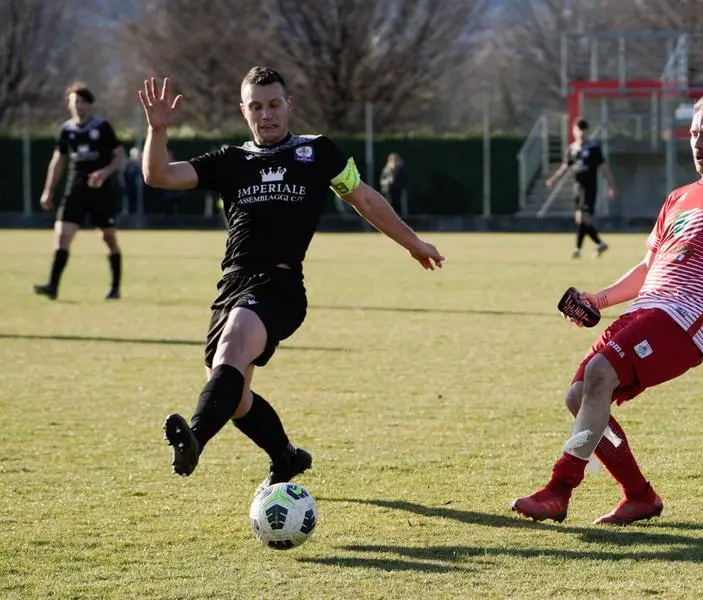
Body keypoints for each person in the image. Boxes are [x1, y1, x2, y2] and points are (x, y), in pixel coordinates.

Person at [137, 67, 444, 491]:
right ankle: (286, 456)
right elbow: (159, 176)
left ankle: (195, 438)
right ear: (244, 111)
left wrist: (412, 242)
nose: (267, 115)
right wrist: (156, 130)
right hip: (231, 287)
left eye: (274, 104)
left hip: (278, 288)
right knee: (233, 394)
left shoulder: (318, 153)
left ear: (289, 106)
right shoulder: (230, 161)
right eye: (257, 107)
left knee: (234, 344)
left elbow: (366, 199)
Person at [512, 93, 703, 525]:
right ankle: (639, 496)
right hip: (645, 313)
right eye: (694, 134)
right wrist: (597, 300)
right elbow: (647, 269)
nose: (698, 143)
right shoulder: (678, 197)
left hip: (681, 326)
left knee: (600, 375)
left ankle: (558, 491)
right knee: (579, 397)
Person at [33, 83, 127, 300]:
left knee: (108, 238)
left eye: (83, 101)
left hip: (101, 193)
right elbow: (58, 161)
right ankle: (53, 286)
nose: (79, 105)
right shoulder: (67, 130)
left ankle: (115, 287)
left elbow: (120, 157)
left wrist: (104, 173)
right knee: (62, 235)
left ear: (90, 104)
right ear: (69, 104)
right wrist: (47, 191)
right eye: (75, 101)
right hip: (74, 191)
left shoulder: (102, 127)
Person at [545, 118, 618, 259]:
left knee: (584, 217)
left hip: (589, 187)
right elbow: (565, 166)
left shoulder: (594, 148)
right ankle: (597, 244)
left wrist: (612, 185)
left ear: (587, 131)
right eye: (578, 130)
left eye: (584, 130)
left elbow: (604, 168)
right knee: (580, 220)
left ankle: (580, 249)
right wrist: (553, 179)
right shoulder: (572, 148)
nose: (581, 133)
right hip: (577, 187)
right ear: (574, 131)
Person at [379, 152, 408, 217]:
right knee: (389, 205)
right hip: (388, 190)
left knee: (397, 206)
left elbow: (401, 180)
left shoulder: (399, 169)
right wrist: (388, 181)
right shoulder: (387, 169)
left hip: (396, 190)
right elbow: (382, 180)